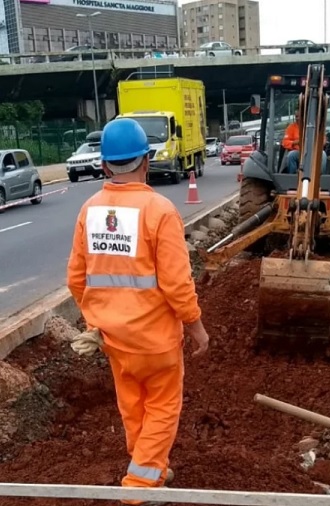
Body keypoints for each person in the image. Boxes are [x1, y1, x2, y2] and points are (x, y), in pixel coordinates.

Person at [66, 117, 209, 506]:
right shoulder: (159, 210)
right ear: (145, 160)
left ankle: (151, 467)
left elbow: (76, 279)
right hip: (157, 341)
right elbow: (177, 284)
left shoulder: (90, 210)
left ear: (106, 165)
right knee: (162, 408)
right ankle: (141, 488)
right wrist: (196, 327)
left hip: (116, 341)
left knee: (133, 407)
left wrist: (95, 321)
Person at [281, 108, 328, 174]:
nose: (297, 118)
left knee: (323, 154)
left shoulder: (315, 126)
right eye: (296, 116)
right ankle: (293, 175)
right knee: (291, 155)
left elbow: (323, 140)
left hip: (313, 152)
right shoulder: (291, 128)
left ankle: (320, 175)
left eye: (300, 116)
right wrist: (296, 142)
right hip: (299, 152)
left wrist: (315, 144)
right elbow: (284, 142)